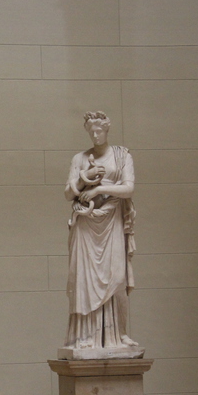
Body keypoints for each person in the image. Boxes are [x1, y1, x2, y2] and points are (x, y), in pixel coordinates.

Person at [64, 111, 137, 350]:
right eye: (91, 132)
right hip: (86, 224)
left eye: (99, 131)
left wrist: (98, 190)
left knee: (118, 279)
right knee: (84, 280)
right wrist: (85, 177)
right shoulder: (80, 158)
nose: (95, 136)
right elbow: (68, 194)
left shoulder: (122, 156)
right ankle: (85, 336)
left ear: (107, 130)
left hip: (112, 220)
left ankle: (121, 334)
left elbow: (128, 188)